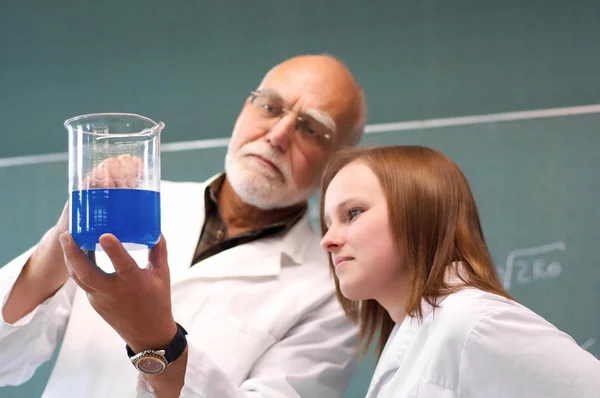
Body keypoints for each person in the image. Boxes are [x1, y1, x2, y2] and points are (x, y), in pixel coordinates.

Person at [0, 54, 368, 398]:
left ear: (337, 161)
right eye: (270, 107)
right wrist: (62, 238)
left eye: (310, 129)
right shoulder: (132, 209)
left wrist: (155, 338)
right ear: (245, 109)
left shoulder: (333, 293)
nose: (278, 135)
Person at [319, 145, 600, 398]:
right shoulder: (417, 334)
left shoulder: (471, 322)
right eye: (328, 223)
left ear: (420, 212)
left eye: (353, 213)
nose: (327, 240)